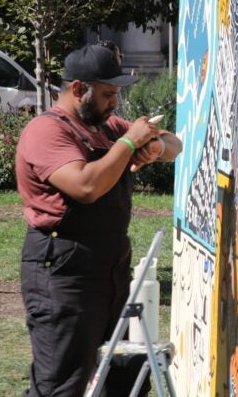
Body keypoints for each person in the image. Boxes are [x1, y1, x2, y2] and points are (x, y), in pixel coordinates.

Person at [15, 44, 182, 396]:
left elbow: (174, 145)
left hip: (111, 269)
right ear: (78, 89)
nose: (115, 104)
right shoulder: (47, 131)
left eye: (117, 94)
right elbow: (85, 186)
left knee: (123, 374)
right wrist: (128, 143)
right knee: (62, 382)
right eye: (108, 94)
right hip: (63, 272)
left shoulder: (105, 127)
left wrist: (155, 146)